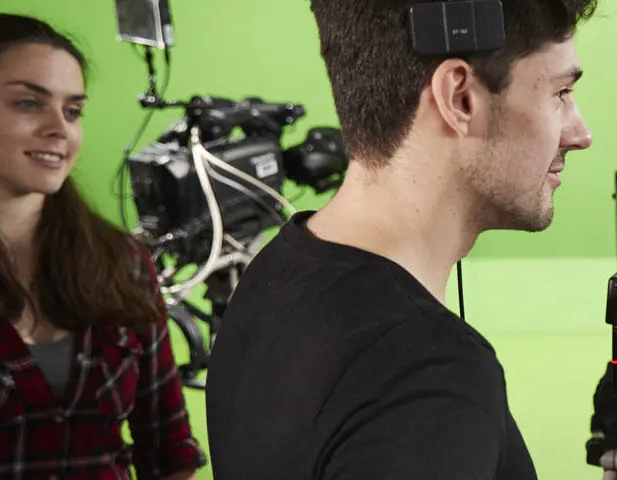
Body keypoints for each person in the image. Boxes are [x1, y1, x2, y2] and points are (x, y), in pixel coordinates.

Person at [203, 0, 596, 477]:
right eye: (560, 93)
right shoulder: (429, 384)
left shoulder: (271, 273)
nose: (580, 133)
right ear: (460, 98)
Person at [0, 13, 206, 479]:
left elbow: (168, 451)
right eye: (28, 103)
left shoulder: (122, 263)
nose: (59, 129)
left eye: (73, 110)